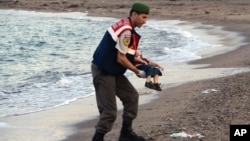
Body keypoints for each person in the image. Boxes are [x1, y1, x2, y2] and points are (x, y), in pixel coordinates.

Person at [91, 2, 150, 141]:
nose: (145, 21)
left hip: (113, 71)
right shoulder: (127, 32)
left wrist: (138, 58)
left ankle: (126, 134)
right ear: (134, 14)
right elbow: (121, 58)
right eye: (143, 17)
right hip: (103, 71)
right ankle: (97, 138)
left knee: (132, 97)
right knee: (110, 111)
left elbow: (122, 50)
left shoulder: (125, 24)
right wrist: (137, 71)